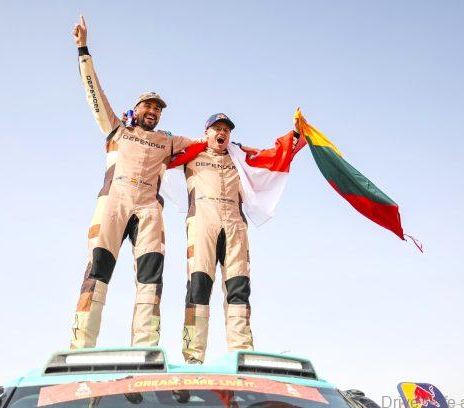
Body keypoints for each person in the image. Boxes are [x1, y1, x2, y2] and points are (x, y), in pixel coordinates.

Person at [70, 15, 196, 349]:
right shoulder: (116, 128)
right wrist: (83, 49)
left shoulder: (169, 140)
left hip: (149, 208)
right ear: (136, 108)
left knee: (151, 277)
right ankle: (81, 345)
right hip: (114, 200)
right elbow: (94, 93)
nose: (153, 110)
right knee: (97, 269)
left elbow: (208, 145)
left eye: (158, 108)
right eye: (148, 105)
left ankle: (146, 347)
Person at [181, 113, 301, 363]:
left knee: (238, 289)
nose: (221, 132)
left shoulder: (239, 156)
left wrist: (297, 135)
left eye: (226, 129)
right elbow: (155, 149)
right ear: (206, 132)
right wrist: (132, 127)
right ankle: (193, 356)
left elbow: (272, 157)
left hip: (235, 225)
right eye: (216, 128)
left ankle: (241, 353)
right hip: (202, 223)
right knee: (198, 287)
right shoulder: (190, 152)